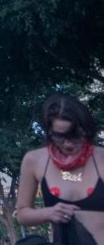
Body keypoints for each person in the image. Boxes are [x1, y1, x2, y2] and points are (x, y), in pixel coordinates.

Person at [16, 93, 103, 244]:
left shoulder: (101, 158)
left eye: (75, 135)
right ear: (49, 132)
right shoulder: (34, 161)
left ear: (86, 130)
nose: (68, 144)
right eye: (60, 137)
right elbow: (22, 214)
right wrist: (48, 213)